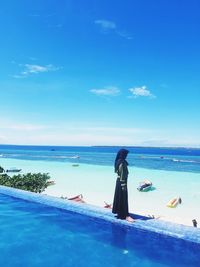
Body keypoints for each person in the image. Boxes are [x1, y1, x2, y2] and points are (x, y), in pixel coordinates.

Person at [112, 148, 134, 222]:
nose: (126, 156)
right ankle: (126, 216)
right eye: (126, 154)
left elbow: (117, 172)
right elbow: (122, 174)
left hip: (119, 182)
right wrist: (123, 185)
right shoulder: (122, 162)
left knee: (119, 197)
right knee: (124, 198)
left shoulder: (118, 161)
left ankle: (120, 213)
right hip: (122, 182)